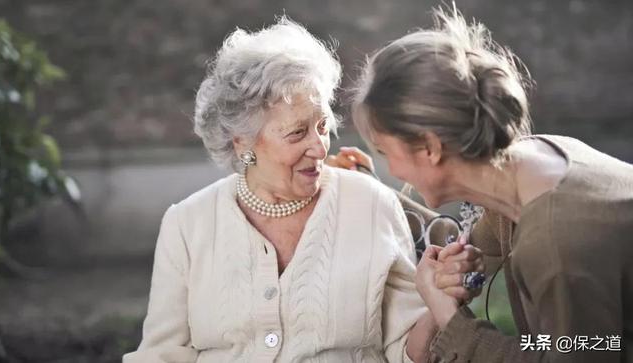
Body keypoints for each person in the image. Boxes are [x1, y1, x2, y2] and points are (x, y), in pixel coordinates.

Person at [123, 18, 483, 363]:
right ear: (242, 143)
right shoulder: (187, 224)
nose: (319, 146)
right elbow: (162, 354)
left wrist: (439, 299)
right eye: (297, 133)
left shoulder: (371, 205)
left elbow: (407, 351)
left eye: (322, 126)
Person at [345, 6, 633, 363]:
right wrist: (461, 268)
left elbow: (584, 355)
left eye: (385, 152)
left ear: (431, 148)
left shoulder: (556, 246)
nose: (393, 169)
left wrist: (452, 320)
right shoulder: (536, 159)